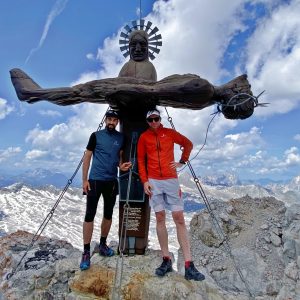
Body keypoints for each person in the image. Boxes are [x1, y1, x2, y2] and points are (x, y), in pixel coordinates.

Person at [137, 109, 205, 281]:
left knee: (179, 218)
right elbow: (140, 160)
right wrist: (145, 181)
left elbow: (188, 143)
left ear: (160, 119)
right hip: (154, 181)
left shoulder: (169, 133)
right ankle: (166, 259)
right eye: (150, 119)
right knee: (160, 217)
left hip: (170, 180)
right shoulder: (144, 137)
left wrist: (182, 161)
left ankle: (189, 264)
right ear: (147, 121)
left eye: (156, 119)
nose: (153, 122)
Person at [80, 109, 132, 270]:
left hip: (111, 181)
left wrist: (121, 166)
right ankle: (86, 251)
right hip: (95, 180)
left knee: (108, 214)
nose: (111, 122)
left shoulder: (120, 137)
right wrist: (84, 180)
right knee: (90, 215)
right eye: (109, 119)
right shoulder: (95, 136)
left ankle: (103, 244)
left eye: (114, 120)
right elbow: (87, 156)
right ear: (105, 120)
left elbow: (119, 158)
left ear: (117, 122)